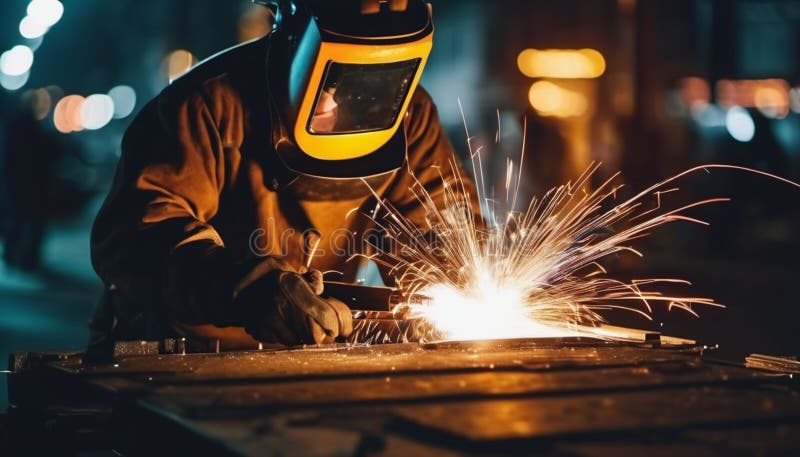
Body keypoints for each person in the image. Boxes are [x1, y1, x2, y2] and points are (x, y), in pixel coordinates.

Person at [89, 0, 477, 352]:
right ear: (298, 37)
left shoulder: (411, 117)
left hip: (304, 356)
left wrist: (456, 281)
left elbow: (441, 230)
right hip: (177, 351)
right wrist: (243, 289)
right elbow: (133, 237)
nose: (335, 103)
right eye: (329, 80)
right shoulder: (207, 104)